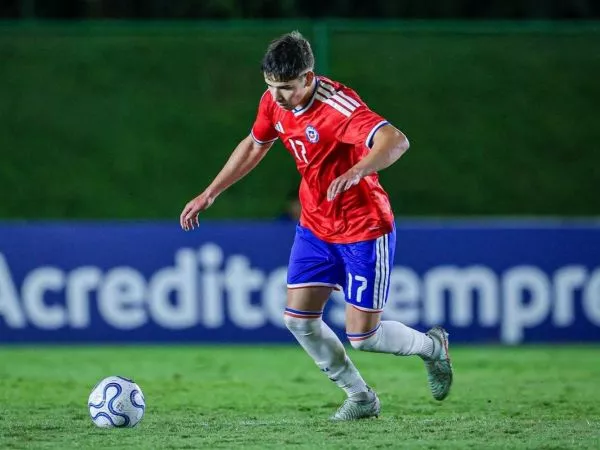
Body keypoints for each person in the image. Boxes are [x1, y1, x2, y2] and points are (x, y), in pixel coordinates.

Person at [180, 31, 453, 420]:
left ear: (309, 78)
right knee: (298, 320)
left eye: (286, 88)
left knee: (364, 337)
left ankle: (432, 347)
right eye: (271, 86)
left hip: (363, 226)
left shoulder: (338, 106)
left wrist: (358, 170)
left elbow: (396, 140)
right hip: (315, 226)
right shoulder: (273, 101)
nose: (277, 96)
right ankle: (360, 398)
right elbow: (255, 144)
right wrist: (210, 193)